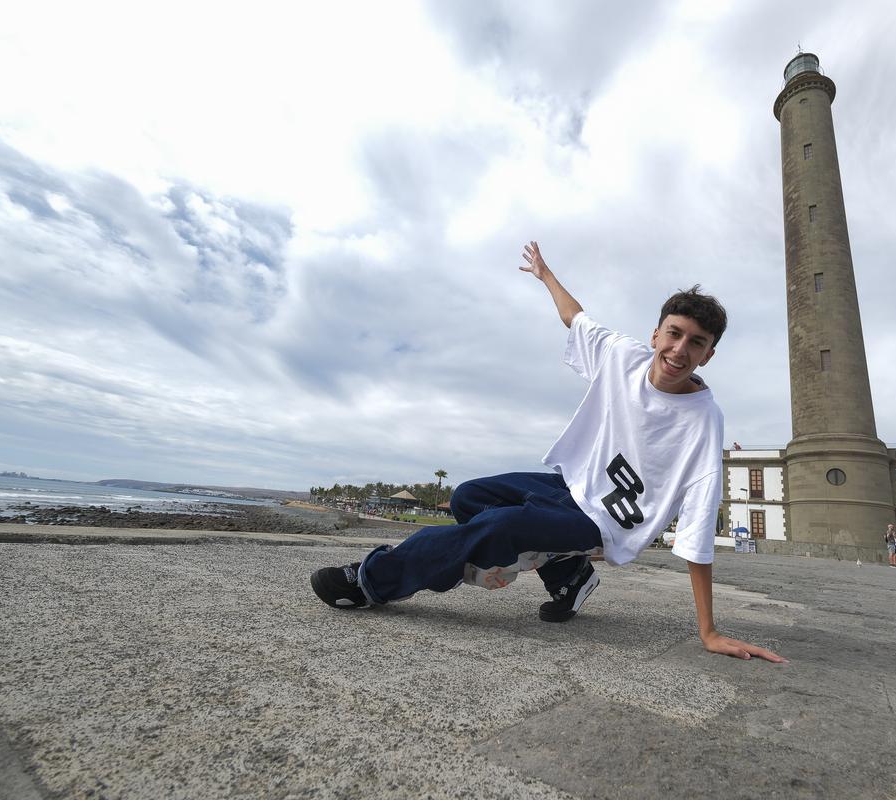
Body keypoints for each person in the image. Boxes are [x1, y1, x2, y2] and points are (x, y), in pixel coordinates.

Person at [309, 241, 786, 663]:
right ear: (655, 334)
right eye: (674, 334)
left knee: (499, 528)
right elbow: (574, 316)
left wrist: (708, 631)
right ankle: (568, 576)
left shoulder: (703, 421)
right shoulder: (622, 355)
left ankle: (372, 580)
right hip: (572, 487)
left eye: (696, 343)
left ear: (708, 355)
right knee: (468, 497)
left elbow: (699, 525)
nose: (680, 350)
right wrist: (545, 274)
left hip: (605, 524)